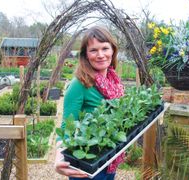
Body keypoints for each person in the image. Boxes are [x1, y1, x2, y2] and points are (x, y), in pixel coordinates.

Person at [55, 26, 125, 180]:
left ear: (113, 50)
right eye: (93, 50)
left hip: (109, 159)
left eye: (105, 48)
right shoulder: (79, 84)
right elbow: (68, 126)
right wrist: (59, 158)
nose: (100, 55)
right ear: (86, 55)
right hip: (86, 164)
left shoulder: (113, 81)